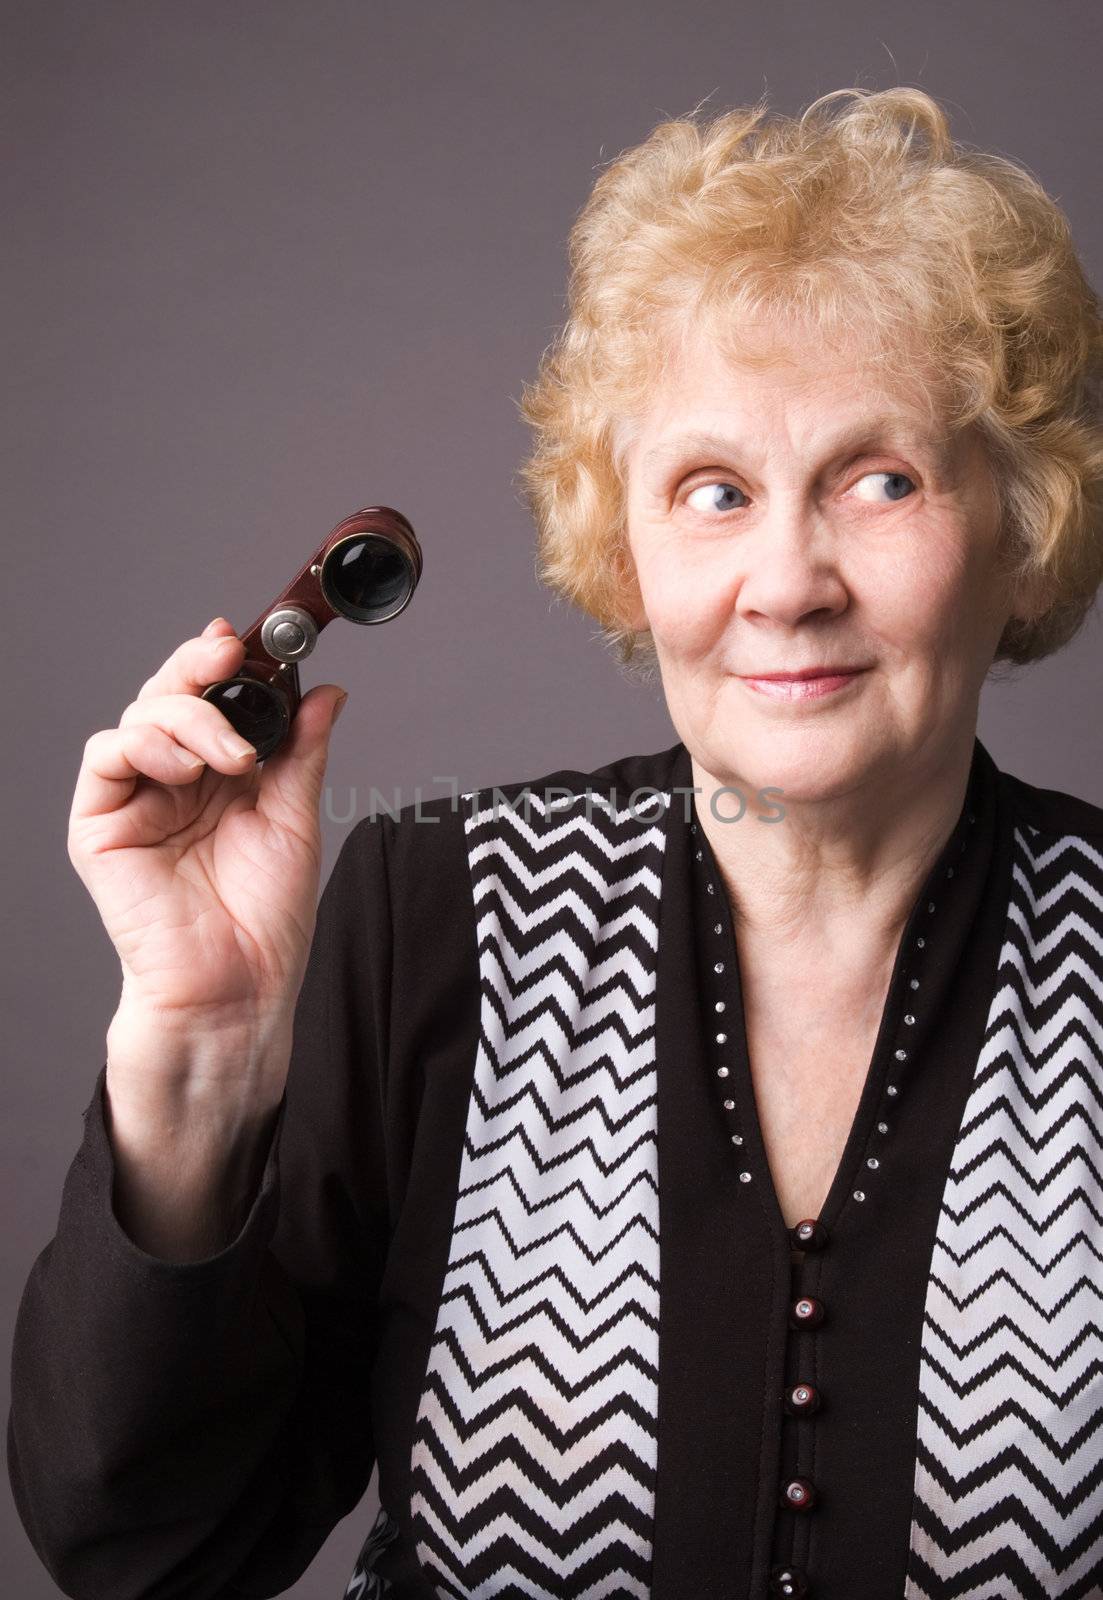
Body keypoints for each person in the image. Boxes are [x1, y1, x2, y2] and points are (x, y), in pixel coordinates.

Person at [8, 84, 1103, 1600]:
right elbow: (153, 1548)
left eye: (881, 478)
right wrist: (194, 1050)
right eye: (712, 490)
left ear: (1022, 521)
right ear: (625, 549)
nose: (787, 580)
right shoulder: (431, 911)